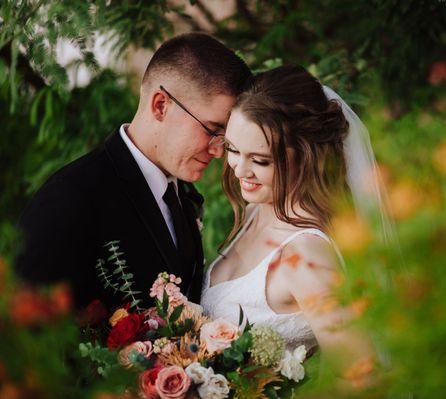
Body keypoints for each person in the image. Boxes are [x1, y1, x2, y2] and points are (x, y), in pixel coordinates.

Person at [15, 33, 251, 311]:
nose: (218, 151)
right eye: (212, 130)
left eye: (224, 137)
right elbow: (25, 328)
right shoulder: (70, 198)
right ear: (160, 105)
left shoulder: (181, 192)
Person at [200, 65, 387, 358]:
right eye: (233, 149)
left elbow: (361, 374)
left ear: (306, 155)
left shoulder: (307, 259)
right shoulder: (255, 210)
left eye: (260, 160)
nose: (239, 169)